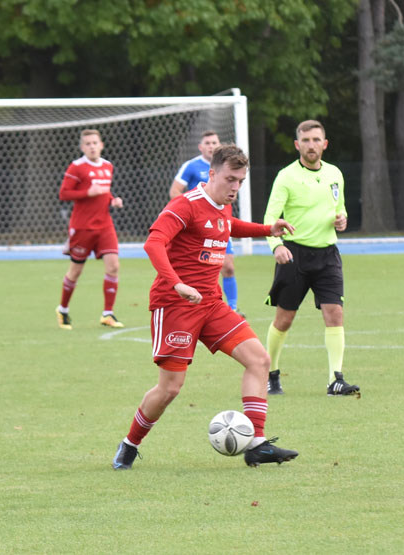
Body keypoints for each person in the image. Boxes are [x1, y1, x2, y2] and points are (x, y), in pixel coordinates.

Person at [112, 144, 299, 470]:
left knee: (259, 359)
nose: (235, 187)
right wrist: (176, 283)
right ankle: (130, 444)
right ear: (211, 174)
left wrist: (266, 229)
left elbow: (228, 225)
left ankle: (256, 443)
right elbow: (153, 243)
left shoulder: (223, 205)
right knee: (170, 388)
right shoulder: (184, 205)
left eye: (240, 181)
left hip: (211, 303)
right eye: (230, 179)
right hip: (175, 305)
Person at [262, 119, 359, 397]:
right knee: (284, 318)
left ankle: (335, 379)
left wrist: (342, 219)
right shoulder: (286, 176)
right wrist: (275, 245)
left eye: (316, 140)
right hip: (294, 254)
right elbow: (270, 217)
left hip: (328, 254)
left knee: (335, 313)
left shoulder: (335, 174)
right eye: (306, 140)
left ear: (325, 144)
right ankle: (272, 374)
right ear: (297, 145)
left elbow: (339, 209)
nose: (311, 145)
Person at [56, 129, 125, 330]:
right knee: (76, 270)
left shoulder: (107, 166)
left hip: (105, 225)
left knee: (113, 265)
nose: (92, 146)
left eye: (95, 142)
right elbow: (64, 193)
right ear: (82, 147)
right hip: (82, 227)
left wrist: (114, 200)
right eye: (88, 144)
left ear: (101, 144)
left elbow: (106, 192)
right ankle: (63, 309)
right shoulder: (76, 167)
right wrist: (88, 192)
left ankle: (107, 314)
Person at [169, 131, 242, 316]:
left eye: (214, 142)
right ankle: (196, 305)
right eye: (207, 143)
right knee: (200, 267)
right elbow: (175, 191)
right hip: (200, 228)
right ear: (201, 147)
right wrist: (193, 211)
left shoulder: (228, 168)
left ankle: (232, 308)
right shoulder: (191, 166)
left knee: (228, 266)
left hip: (221, 225)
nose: (211, 145)